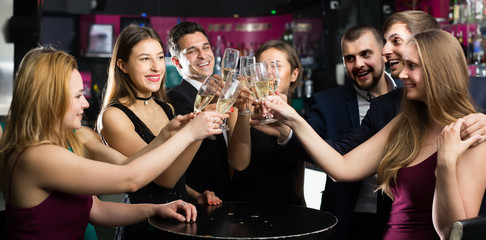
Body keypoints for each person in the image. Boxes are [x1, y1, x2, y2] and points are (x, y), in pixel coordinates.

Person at [265, 29, 486, 240]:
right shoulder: (406, 121)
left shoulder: (471, 134)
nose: (402, 73)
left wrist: (446, 163)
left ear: (438, 71)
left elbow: (451, 232)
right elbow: (342, 167)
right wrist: (293, 119)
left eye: (412, 66)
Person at [0, 46, 224, 240]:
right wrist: (189, 134)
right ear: (51, 99)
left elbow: (96, 209)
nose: (86, 103)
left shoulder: (55, 146)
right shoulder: (37, 156)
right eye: (78, 96)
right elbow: (131, 179)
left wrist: (156, 209)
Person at [96, 25, 223, 240]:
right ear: (123, 65)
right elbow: (163, 180)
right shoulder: (114, 116)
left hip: (180, 219)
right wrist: (197, 131)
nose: (156, 67)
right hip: (143, 226)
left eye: (159, 57)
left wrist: (196, 195)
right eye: (145, 59)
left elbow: (175, 173)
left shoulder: (166, 107)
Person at [307, 24, 399, 240]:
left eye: (365, 54)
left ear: (383, 54)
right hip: (346, 220)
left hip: (398, 217)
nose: (358, 64)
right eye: (349, 58)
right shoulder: (326, 103)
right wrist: (287, 128)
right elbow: (309, 145)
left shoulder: (410, 95)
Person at [228, 40, 305, 206]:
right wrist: (243, 111)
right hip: (245, 211)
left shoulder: (298, 117)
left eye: (276, 65)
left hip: (289, 210)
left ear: (294, 74)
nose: (269, 73)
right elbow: (238, 165)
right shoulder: (241, 110)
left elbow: (299, 176)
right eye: (262, 67)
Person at [167, 21, 233, 200]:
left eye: (206, 47)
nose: (203, 55)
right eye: (192, 51)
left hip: (231, 200)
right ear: (176, 62)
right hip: (199, 203)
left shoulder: (223, 93)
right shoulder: (175, 98)